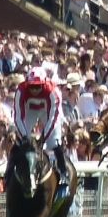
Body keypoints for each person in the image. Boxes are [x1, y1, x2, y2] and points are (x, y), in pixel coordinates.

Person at [13, 67, 74, 200]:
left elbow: (53, 118)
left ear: (44, 83)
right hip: (29, 110)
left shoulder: (53, 91)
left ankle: (63, 174)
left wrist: (43, 138)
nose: (35, 90)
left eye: (38, 86)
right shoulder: (20, 91)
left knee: (54, 142)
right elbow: (18, 117)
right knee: (21, 141)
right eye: (32, 87)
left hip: (48, 111)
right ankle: (9, 173)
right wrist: (25, 137)